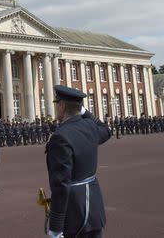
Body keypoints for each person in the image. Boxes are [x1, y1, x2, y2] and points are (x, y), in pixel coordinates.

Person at [45, 85, 111, 238]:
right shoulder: (90, 126)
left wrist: (55, 226)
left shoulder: (60, 137)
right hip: (94, 208)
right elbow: (106, 129)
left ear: (61, 106)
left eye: (57, 104)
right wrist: (84, 112)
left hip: (74, 212)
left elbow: (61, 185)